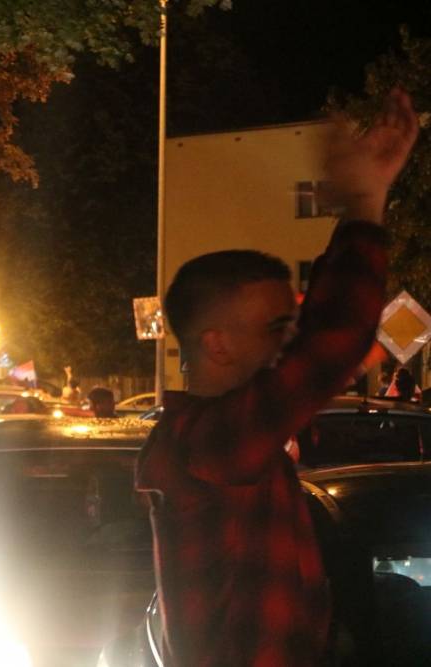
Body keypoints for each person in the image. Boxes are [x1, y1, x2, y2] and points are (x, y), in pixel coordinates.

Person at [135, 89, 417, 666]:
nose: (290, 344)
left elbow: (322, 339)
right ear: (217, 343)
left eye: (292, 326)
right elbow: (329, 346)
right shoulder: (206, 444)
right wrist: (364, 202)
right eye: (275, 328)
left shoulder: (227, 445)